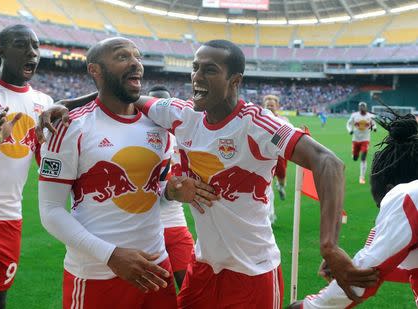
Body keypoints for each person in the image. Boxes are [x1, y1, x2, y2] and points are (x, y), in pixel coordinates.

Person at [39, 39, 379, 308]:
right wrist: (63, 105)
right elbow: (120, 94)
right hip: (203, 269)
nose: (197, 78)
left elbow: (328, 163)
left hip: (253, 271)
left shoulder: (257, 123)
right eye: (195, 68)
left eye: (210, 70)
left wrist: (329, 245)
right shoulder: (181, 115)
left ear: (235, 80)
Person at [38, 38, 216, 309]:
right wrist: (111, 256)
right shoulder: (69, 126)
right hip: (97, 273)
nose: (136, 63)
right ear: (94, 70)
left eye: (138, 56)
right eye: (122, 57)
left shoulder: (158, 125)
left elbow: (147, 191)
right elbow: (50, 211)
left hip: (155, 268)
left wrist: (170, 190)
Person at [288, 111, 418, 308]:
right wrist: (350, 265)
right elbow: (403, 264)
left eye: (382, 207)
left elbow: (360, 281)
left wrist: (303, 306)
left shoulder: (408, 195)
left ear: (392, 190)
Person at [0, 24, 53, 308]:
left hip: (8, 220)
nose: (32, 52)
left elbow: (47, 164)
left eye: (36, 46)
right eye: (21, 44)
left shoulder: (44, 102)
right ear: (1, 51)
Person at [148, 85, 195, 288]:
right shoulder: (134, 140)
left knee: (189, 290)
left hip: (176, 224)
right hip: (144, 229)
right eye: (152, 106)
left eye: (163, 106)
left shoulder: (185, 139)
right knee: (152, 295)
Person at [262, 94, 288, 201]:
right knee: (265, 182)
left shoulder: (283, 120)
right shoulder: (258, 118)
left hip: (279, 154)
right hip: (263, 154)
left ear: (277, 106)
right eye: (268, 104)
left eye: (272, 104)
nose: (270, 105)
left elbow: (284, 135)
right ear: (263, 105)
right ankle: (269, 211)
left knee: (281, 176)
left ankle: (281, 186)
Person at [346, 102, 377, 184]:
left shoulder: (370, 116)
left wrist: (374, 128)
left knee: (363, 157)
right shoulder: (354, 115)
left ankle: (362, 177)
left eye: (363, 107)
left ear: (366, 107)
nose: (362, 108)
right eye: (360, 107)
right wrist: (350, 130)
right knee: (355, 158)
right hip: (355, 139)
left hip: (365, 139)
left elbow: (373, 124)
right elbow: (348, 124)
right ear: (359, 108)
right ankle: (354, 155)